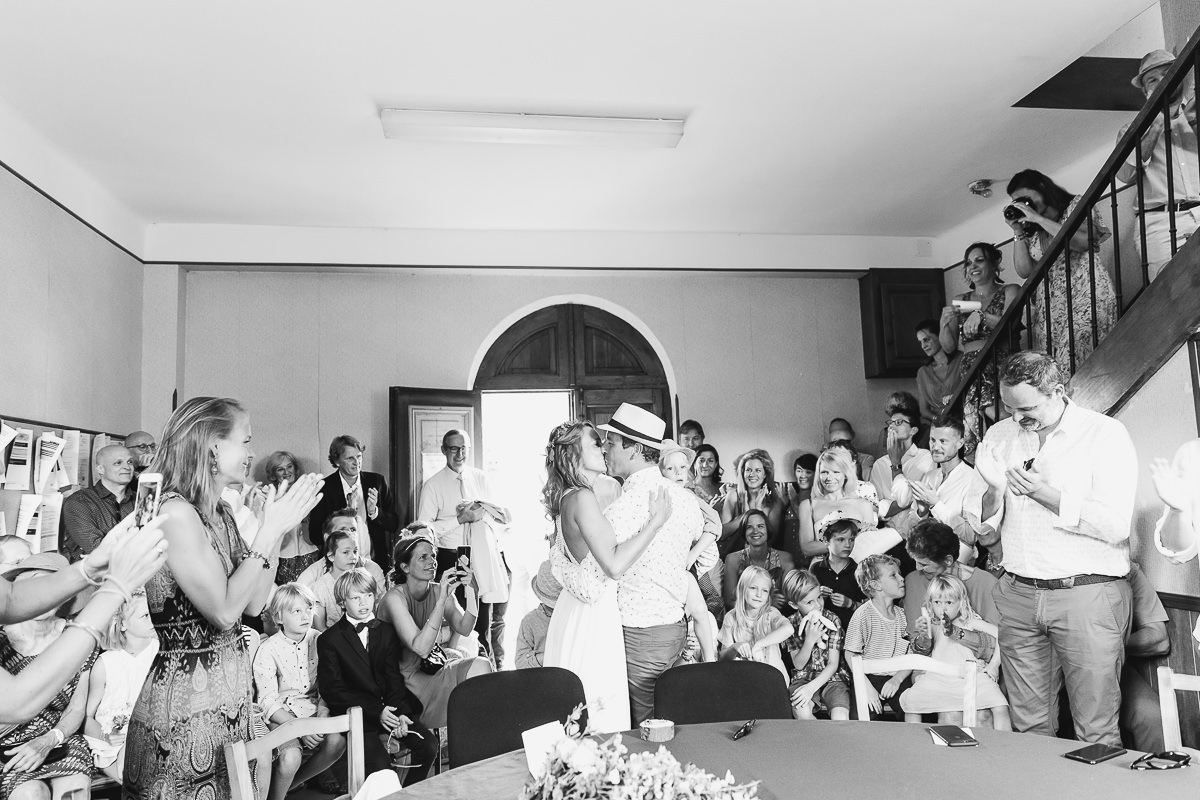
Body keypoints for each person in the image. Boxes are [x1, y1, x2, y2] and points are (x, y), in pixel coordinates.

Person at [124, 396, 322, 800]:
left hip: (231, 700)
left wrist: (274, 530)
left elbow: (254, 604)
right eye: (245, 441)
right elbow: (225, 613)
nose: (251, 453)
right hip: (184, 708)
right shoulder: (175, 512)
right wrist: (269, 532)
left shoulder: (222, 513)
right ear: (213, 447)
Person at [974, 352, 1135, 746]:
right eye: (1008, 407)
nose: (1016, 418)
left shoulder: (1104, 434)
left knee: (1095, 730)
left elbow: (1116, 526)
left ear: (1057, 392)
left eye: (1026, 409)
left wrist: (1044, 494)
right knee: (1028, 729)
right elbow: (984, 531)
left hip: (1086, 595)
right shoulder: (999, 436)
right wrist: (994, 491)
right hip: (1018, 594)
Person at [539, 419, 668, 733]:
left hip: (577, 610)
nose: (604, 448)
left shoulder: (572, 496)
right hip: (591, 616)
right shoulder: (582, 497)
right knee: (597, 711)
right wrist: (655, 523)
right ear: (574, 454)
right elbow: (613, 565)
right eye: (596, 443)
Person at [598, 403, 704, 725]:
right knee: (672, 717)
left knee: (645, 727)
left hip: (640, 634)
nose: (605, 449)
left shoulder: (627, 505)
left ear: (633, 449)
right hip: (676, 626)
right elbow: (700, 541)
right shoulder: (686, 499)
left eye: (611, 443)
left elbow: (601, 565)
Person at [317, 569, 436, 787]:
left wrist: (401, 714)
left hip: (391, 708)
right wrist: (377, 712)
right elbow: (332, 691)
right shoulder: (329, 640)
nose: (364, 603)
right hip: (359, 715)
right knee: (382, 768)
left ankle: (406, 794)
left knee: (428, 746)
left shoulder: (386, 631)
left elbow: (393, 678)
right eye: (355, 598)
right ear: (342, 602)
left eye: (368, 595)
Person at [0, 555, 98, 800]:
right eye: (37, 585)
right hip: (8, 749)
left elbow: (76, 709)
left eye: (54, 586)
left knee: (75, 790)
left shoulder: (77, 637)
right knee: (32, 794)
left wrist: (49, 739)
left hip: (58, 739)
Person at [415, 429, 511, 666]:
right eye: (454, 449)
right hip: (451, 559)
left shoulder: (481, 479)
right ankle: (458, 670)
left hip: (483, 558)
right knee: (459, 623)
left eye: (464, 448)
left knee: (485, 621)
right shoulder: (432, 486)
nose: (459, 454)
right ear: (444, 450)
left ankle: (488, 670)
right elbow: (423, 530)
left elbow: (497, 517)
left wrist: (483, 514)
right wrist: (459, 519)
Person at [1006, 170, 1115, 376]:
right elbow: (1024, 271)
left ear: (1041, 187)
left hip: (1084, 295)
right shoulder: (1031, 230)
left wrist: (1038, 218)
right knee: (1056, 371)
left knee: (1078, 361)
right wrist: (1018, 231)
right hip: (1051, 311)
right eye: (1017, 202)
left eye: (1025, 198)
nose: (1024, 205)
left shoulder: (1075, 205)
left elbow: (1083, 242)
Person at [378, 535, 493, 729]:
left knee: (482, 665)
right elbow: (421, 648)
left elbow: (465, 628)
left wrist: (473, 591)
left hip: (434, 669)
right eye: (423, 557)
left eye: (433, 556)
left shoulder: (438, 590)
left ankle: (475, 735)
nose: (432, 561)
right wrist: (441, 601)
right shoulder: (394, 598)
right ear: (405, 567)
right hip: (402, 682)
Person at [253, 583, 346, 800]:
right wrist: (301, 730)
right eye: (296, 611)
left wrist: (322, 714)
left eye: (309, 608)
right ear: (279, 617)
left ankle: (292, 784)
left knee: (337, 742)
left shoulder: (321, 640)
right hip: (283, 716)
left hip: (315, 709)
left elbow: (329, 685)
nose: (305, 616)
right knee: (290, 758)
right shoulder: (268, 649)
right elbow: (268, 701)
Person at [1116, 50, 1200, 282]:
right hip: (1160, 225)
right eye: (1153, 80)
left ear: (1181, 77)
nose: (1163, 80)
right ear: (1146, 92)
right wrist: (1156, 122)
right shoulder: (1130, 130)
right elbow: (1125, 174)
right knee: (1171, 293)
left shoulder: (1194, 115)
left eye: (1168, 73)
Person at [905, 575, 1009, 730]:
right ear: (930, 603)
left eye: (949, 602)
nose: (943, 608)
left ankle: (1005, 742)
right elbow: (923, 647)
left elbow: (1002, 636)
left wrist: (994, 665)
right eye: (937, 602)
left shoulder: (969, 622)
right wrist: (923, 633)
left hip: (973, 677)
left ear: (961, 602)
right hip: (940, 679)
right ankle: (913, 740)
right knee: (911, 701)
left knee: (1000, 707)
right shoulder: (933, 625)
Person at [938, 243, 1019, 440]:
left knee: (1000, 411)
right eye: (968, 263)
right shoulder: (961, 299)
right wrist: (944, 323)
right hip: (971, 367)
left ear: (994, 264)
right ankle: (1005, 432)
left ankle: (1013, 430)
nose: (972, 266)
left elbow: (1010, 325)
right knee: (978, 421)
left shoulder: (1010, 290)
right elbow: (949, 346)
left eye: (979, 260)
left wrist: (981, 315)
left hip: (1001, 362)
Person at [892, 418, 991, 567]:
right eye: (932, 440)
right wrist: (921, 512)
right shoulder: (929, 476)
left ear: (960, 443)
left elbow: (970, 536)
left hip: (956, 563)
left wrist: (936, 505)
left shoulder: (972, 479)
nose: (935, 447)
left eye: (943, 441)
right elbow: (910, 529)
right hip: (923, 560)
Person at [84, 589, 159, 782]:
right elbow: (86, 718)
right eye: (145, 616)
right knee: (131, 774)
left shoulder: (161, 652)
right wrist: (105, 736)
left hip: (152, 736)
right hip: (111, 744)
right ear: (123, 624)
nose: (152, 619)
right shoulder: (105, 664)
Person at [309, 435, 398, 570]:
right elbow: (315, 535)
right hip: (338, 567)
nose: (357, 462)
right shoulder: (324, 488)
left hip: (374, 563)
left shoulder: (377, 481)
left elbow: (394, 524)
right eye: (350, 458)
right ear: (337, 461)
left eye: (359, 456)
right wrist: (345, 514)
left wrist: (374, 512)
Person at [901, 519, 998, 640]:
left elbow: (997, 639)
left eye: (924, 564)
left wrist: (955, 633)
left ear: (948, 560)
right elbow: (914, 637)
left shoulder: (985, 583)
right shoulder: (914, 580)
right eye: (915, 561)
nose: (917, 568)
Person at [659, 440, 723, 621]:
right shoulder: (659, 495)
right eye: (670, 468)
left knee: (708, 599)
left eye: (682, 467)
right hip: (673, 558)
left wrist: (693, 554)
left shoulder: (689, 495)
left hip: (696, 556)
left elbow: (715, 523)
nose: (678, 472)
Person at [844, 554, 912, 719]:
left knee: (912, 706)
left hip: (899, 676)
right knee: (860, 716)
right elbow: (850, 654)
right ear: (876, 585)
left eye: (900, 574)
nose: (902, 578)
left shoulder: (904, 615)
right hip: (869, 677)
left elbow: (911, 654)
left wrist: (897, 679)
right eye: (893, 575)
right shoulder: (863, 614)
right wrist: (866, 688)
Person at [296, 516, 387, 631]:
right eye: (346, 552)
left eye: (355, 551)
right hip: (333, 638)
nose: (353, 557)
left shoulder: (366, 578)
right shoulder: (320, 587)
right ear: (331, 556)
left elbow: (373, 614)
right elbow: (319, 626)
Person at [783, 569, 850, 721]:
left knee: (840, 716)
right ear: (794, 605)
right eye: (809, 602)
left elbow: (833, 664)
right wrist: (809, 640)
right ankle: (820, 735)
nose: (818, 605)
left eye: (819, 597)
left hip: (833, 678)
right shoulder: (790, 624)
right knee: (801, 712)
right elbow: (798, 664)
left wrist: (811, 688)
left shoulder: (832, 620)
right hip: (803, 678)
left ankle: (829, 735)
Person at [797, 447, 881, 562]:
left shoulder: (863, 505)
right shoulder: (808, 505)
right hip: (821, 567)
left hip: (857, 566)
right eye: (824, 472)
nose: (829, 478)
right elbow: (807, 548)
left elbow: (869, 545)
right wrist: (847, 542)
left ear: (845, 474)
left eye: (836, 472)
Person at [59, 444, 135, 561]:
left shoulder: (141, 500)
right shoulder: (79, 502)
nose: (127, 467)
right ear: (100, 469)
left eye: (130, 462)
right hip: (97, 573)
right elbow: (98, 549)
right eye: (118, 463)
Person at [717, 566, 792, 683]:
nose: (759, 594)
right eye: (753, 588)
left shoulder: (771, 613)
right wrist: (735, 647)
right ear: (742, 589)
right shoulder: (731, 617)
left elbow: (788, 629)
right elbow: (723, 659)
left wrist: (759, 645)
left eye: (764, 590)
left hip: (773, 680)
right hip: (746, 680)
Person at [869, 395, 932, 529]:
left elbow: (906, 498)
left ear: (913, 430)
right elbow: (875, 506)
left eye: (898, 422)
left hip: (917, 529)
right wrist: (903, 503)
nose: (892, 426)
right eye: (890, 423)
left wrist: (895, 463)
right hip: (887, 531)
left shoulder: (925, 457)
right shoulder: (879, 464)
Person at [265, 450, 321, 585]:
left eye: (289, 467)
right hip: (283, 556)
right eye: (280, 469)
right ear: (273, 474)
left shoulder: (309, 493)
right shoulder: (269, 497)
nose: (286, 472)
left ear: (295, 469)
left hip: (310, 552)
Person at [722, 510, 794, 611]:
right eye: (749, 527)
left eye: (760, 526)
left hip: (776, 616)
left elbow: (789, 600)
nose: (755, 531)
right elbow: (729, 602)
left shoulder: (784, 558)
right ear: (744, 532)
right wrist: (766, 603)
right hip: (743, 617)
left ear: (768, 530)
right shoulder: (732, 559)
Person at [719, 449, 784, 556]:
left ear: (765, 474)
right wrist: (745, 515)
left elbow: (772, 539)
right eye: (748, 470)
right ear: (742, 473)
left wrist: (757, 511)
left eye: (758, 470)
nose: (752, 474)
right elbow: (722, 534)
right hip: (733, 555)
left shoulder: (774, 501)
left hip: (763, 557)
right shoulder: (733, 496)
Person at [807, 516, 865, 634]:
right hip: (821, 634)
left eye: (851, 539)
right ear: (826, 540)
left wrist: (850, 603)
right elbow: (804, 601)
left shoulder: (860, 570)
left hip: (852, 634)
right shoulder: (816, 569)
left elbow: (871, 608)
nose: (848, 545)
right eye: (841, 539)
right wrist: (817, 595)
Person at [914, 319, 962, 435]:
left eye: (926, 340)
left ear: (940, 336)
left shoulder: (961, 360)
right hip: (940, 428)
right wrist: (940, 421)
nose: (923, 346)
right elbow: (924, 410)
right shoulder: (923, 372)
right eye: (920, 342)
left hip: (965, 420)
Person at [514, 561, 560, 670]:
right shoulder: (530, 620)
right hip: (541, 677)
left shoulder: (574, 618)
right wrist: (551, 655)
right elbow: (521, 663)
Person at [781, 453, 816, 563]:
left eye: (808, 472)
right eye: (799, 470)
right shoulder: (789, 494)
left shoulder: (818, 499)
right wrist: (784, 506)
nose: (802, 475)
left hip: (809, 560)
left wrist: (793, 502)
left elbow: (810, 526)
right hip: (788, 561)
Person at [685, 444, 726, 509]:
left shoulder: (724, 489)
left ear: (716, 464)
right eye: (701, 460)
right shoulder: (688, 490)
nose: (705, 465)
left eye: (710, 461)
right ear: (694, 464)